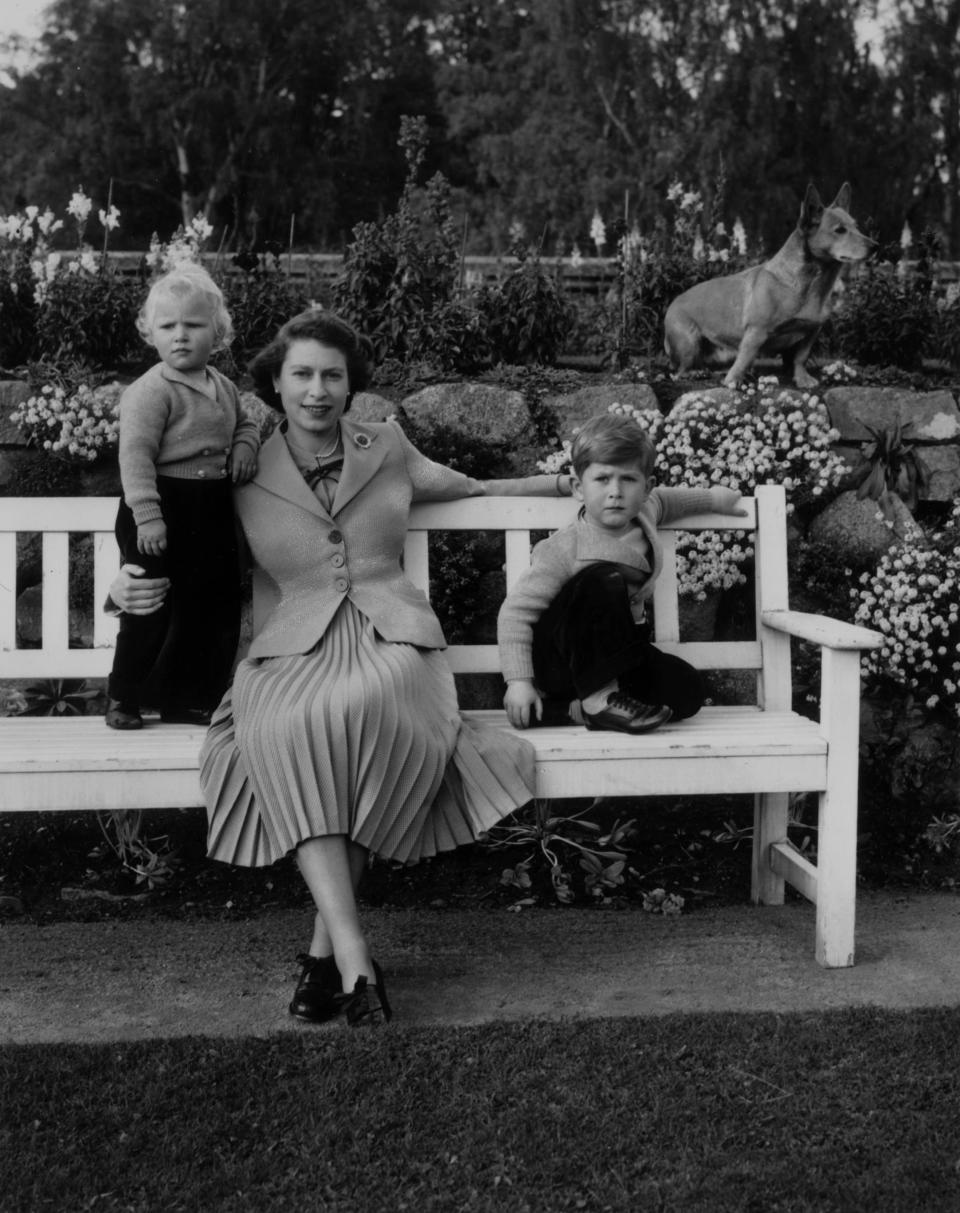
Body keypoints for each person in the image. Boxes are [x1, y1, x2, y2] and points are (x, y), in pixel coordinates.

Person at [111, 309, 572, 1027]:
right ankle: (349, 961)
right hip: (290, 647)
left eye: (332, 374)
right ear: (275, 383)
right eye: (302, 374)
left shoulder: (385, 444)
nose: (318, 389)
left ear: (352, 383)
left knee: (369, 710)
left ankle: (332, 959)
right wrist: (123, 582)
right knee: (302, 723)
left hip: (391, 638)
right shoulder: (241, 466)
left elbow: (464, 485)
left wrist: (549, 486)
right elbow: (180, 544)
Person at [498, 412, 745, 734]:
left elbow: (668, 500)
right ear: (578, 487)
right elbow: (515, 614)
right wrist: (519, 682)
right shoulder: (564, 547)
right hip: (562, 659)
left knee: (686, 691)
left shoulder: (644, 512)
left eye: (628, 479)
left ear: (645, 487)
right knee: (603, 579)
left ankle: (576, 711)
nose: (615, 491)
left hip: (615, 652)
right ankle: (598, 699)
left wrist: (714, 498)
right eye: (602, 479)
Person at [105, 262, 260, 731]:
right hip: (158, 504)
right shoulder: (151, 391)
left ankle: (191, 698)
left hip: (209, 506)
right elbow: (134, 457)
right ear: (150, 332)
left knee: (209, 606)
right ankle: (124, 697)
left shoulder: (223, 386)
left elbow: (247, 422)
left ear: (217, 332)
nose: (180, 336)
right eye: (167, 326)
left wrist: (245, 445)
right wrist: (149, 517)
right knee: (150, 603)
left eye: (192, 325)